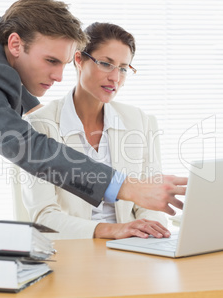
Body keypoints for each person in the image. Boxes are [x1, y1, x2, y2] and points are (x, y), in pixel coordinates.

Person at [0, 0, 187, 243]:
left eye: (64, 63)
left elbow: (19, 113)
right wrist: (126, 187)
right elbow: (27, 147)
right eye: (51, 61)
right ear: (15, 44)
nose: (58, 76)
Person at [17, 22, 172, 240]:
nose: (115, 78)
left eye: (123, 68)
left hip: (131, 245)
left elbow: (149, 202)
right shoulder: (40, 125)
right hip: (74, 248)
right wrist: (110, 231)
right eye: (106, 64)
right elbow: (44, 216)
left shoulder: (139, 121)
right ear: (79, 60)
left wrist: (149, 231)